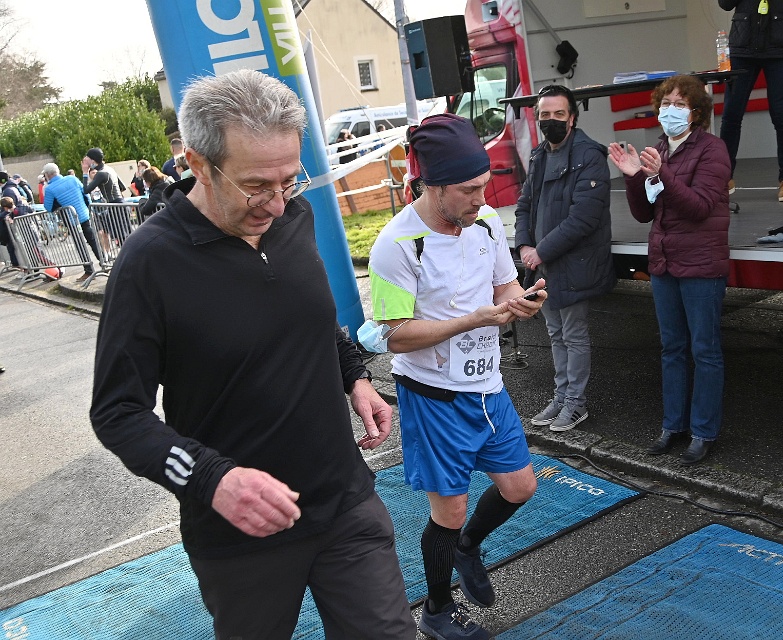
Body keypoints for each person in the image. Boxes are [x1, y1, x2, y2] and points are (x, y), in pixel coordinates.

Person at [89, 70, 417, 639]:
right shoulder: (149, 263)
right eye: (256, 186)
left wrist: (354, 377)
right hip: (240, 536)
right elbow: (117, 412)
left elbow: (310, 318)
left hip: (344, 502)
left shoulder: (295, 217)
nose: (277, 204)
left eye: (289, 181)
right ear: (198, 163)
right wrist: (212, 481)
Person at [367, 113, 545, 640]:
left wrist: (521, 301)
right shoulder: (396, 244)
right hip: (432, 396)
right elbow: (395, 336)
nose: (480, 198)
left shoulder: (485, 221)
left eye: (483, 185)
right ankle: (438, 612)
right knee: (449, 511)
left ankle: (468, 548)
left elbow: (504, 287)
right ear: (433, 185)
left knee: (520, 487)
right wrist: (473, 320)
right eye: (468, 190)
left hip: (487, 386)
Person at [609, 75, 731, 466]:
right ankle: (672, 426)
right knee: (672, 348)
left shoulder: (712, 149)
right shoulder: (659, 148)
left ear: (696, 113)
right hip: (664, 263)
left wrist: (661, 174)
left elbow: (699, 207)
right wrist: (633, 177)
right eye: (665, 103)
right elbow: (644, 213)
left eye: (679, 104)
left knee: (705, 350)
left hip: (701, 265)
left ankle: (703, 431)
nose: (670, 110)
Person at [515, 84, 616, 433]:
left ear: (572, 118)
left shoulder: (590, 156)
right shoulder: (539, 155)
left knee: (573, 335)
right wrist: (524, 245)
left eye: (559, 114)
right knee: (555, 334)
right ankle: (561, 397)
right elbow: (525, 205)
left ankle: (576, 403)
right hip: (544, 263)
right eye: (545, 115)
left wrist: (539, 250)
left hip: (574, 263)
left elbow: (583, 219)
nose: (552, 120)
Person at [718, 0, 783, 201]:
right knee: (731, 113)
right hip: (743, 42)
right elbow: (725, 4)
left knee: (781, 112)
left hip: (781, 44)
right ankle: (724, 176)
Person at [41, 162, 101, 281]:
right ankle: (103, 262)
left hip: (71, 219)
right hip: (84, 214)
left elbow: (48, 207)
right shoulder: (72, 179)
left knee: (80, 244)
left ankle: (89, 270)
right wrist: (88, 207)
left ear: (47, 175)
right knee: (92, 240)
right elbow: (85, 193)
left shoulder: (50, 189)